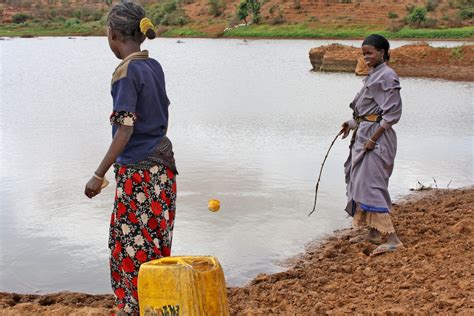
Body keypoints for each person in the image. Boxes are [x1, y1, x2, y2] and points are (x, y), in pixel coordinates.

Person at [84, 1, 178, 314]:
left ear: (112, 35)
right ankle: (157, 303)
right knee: (155, 240)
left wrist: (99, 174)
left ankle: (133, 308)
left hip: (139, 172)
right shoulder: (154, 66)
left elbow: (124, 129)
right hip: (163, 168)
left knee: (129, 244)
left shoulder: (125, 72)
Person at [340, 34, 403, 256]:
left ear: (383, 53)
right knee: (359, 182)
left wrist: (372, 139)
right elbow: (368, 113)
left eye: (370, 52)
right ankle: (374, 233)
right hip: (365, 136)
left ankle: (393, 239)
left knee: (372, 186)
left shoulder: (387, 77)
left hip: (376, 141)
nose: (366, 57)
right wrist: (351, 124)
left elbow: (392, 114)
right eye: (364, 53)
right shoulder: (374, 75)